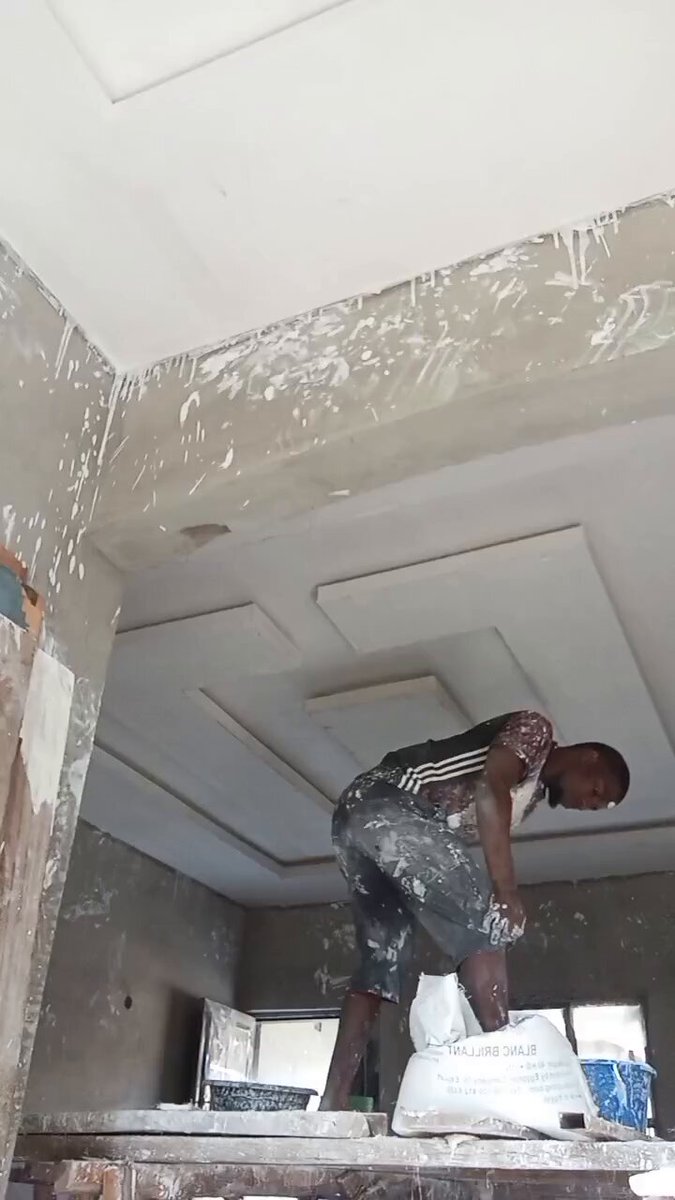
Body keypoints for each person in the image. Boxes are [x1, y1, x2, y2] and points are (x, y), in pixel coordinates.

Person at [320, 710, 629, 1110]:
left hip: (356, 819)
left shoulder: (528, 798)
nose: (588, 804)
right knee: (487, 920)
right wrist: (505, 891)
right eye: (596, 791)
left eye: (596, 807)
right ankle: (511, 1078)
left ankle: (333, 1101)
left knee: (382, 963)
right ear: (589, 757)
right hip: (391, 802)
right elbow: (489, 789)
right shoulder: (535, 732)